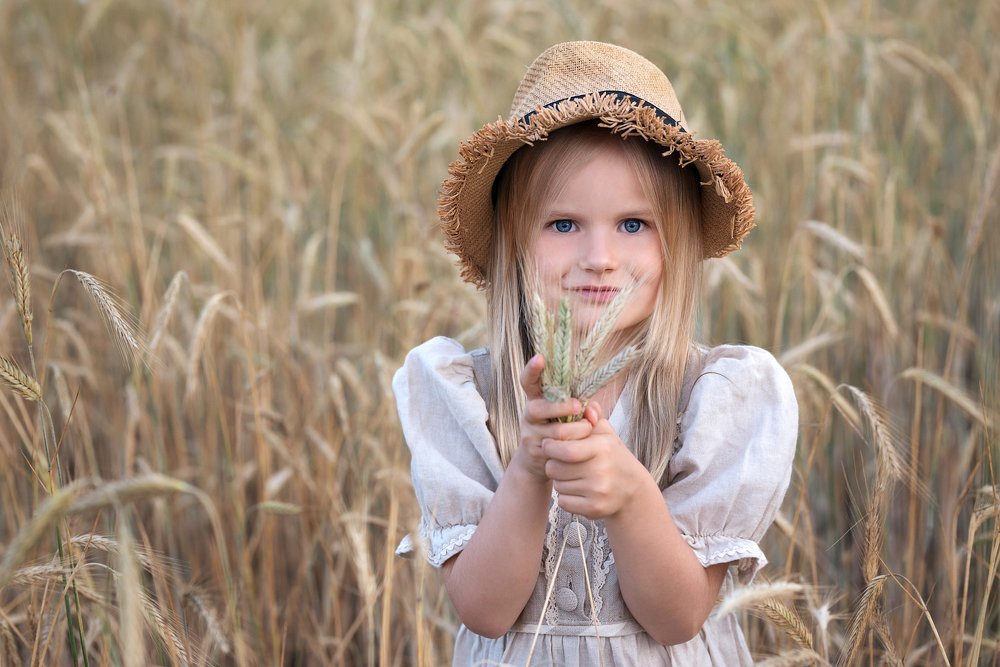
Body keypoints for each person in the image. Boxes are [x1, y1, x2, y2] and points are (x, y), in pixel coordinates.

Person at [394, 41, 798, 666]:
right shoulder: (471, 396)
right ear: (514, 245)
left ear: (677, 242)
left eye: (634, 224)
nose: (600, 256)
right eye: (563, 225)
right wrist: (529, 468)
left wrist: (631, 496)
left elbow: (679, 616)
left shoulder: (711, 397)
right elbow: (483, 609)